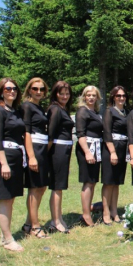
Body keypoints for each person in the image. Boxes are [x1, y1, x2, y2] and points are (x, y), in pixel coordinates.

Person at [0, 78, 26, 251]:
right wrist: (4, 164)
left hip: (16, 157)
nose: (12, 91)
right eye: (8, 88)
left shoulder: (14, 111)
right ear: (1, 91)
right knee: (5, 198)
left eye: (14, 88)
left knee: (11, 199)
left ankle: (4, 234)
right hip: (5, 158)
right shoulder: (0, 111)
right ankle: (8, 240)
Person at [21, 78, 50, 239]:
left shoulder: (38, 107)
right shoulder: (26, 106)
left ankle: (28, 222)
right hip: (34, 149)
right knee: (34, 187)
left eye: (41, 89)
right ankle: (35, 226)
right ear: (29, 90)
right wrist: (31, 156)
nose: (38, 92)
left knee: (41, 187)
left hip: (42, 149)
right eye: (35, 89)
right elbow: (26, 132)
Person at [47, 81, 74, 234]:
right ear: (55, 94)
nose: (65, 96)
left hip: (65, 150)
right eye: (61, 93)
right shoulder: (55, 109)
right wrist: (47, 155)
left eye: (67, 93)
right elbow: (50, 135)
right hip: (58, 150)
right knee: (57, 186)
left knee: (60, 187)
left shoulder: (63, 109)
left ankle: (59, 217)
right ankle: (55, 220)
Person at [75, 86, 103, 227]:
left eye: (94, 95)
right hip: (87, 148)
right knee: (87, 182)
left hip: (96, 148)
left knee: (92, 182)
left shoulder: (95, 112)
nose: (91, 98)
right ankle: (86, 215)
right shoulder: (82, 111)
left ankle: (88, 211)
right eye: (88, 95)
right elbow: (80, 133)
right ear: (84, 97)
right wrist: (87, 152)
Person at [101, 86, 129, 225]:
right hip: (111, 147)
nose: (121, 98)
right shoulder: (109, 111)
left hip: (123, 148)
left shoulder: (126, 112)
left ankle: (114, 212)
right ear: (113, 97)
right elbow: (106, 132)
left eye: (123, 96)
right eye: (118, 96)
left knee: (117, 182)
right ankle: (105, 213)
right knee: (109, 182)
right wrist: (112, 152)